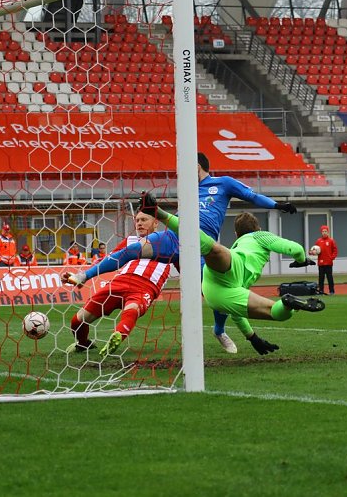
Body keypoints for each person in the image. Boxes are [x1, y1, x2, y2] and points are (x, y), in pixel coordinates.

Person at [62, 153, 298, 355]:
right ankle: (85, 276)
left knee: (215, 292)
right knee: (133, 249)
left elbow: (252, 197)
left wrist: (278, 206)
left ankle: (219, 330)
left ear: (196, 166)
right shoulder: (188, 190)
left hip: (200, 247)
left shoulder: (223, 183)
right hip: (175, 238)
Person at [135, 193, 324, 356]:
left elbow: (236, 313)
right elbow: (295, 248)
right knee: (279, 314)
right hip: (231, 278)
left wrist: (253, 338)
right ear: (257, 228)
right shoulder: (260, 235)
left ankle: (286, 301)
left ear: (235, 233)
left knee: (212, 249)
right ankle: (158, 212)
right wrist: (301, 260)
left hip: (216, 293)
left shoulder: (236, 245)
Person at [69, 211, 173, 357]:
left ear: (156, 223)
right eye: (137, 220)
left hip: (146, 286)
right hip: (119, 282)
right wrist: (82, 276)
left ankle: (118, 335)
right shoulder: (130, 240)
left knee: (132, 309)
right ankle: (83, 344)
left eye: (144, 219)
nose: (139, 223)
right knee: (77, 321)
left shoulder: (169, 241)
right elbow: (110, 260)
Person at [313, 224, 338, 295]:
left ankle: (332, 291)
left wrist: (332, 258)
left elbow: (335, 250)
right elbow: (314, 250)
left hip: (329, 263)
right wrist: (312, 252)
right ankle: (321, 291)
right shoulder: (318, 241)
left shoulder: (331, 241)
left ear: (328, 232)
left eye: (325, 231)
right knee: (321, 278)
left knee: (330, 278)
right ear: (321, 232)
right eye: (323, 231)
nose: (324, 232)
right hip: (321, 263)